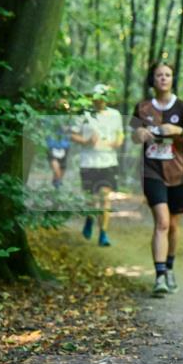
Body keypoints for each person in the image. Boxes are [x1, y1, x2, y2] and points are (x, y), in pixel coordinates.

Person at [130, 63, 183, 296]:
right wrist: (139, 133)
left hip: (178, 174)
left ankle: (169, 268)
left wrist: (179, 131)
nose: (163, 78)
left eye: (167, 75)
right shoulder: (142, 107)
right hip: (152, 171)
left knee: (173, 225)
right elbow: (132, 135)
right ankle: (160, 276)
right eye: (159, 75)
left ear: (173, 79)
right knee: (162, 221)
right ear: (152, 80)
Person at [71, 84, 123, 246]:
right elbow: (72, 135)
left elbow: (120, 135)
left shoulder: (115, 115)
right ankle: (89, 219)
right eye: (97, 97)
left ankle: (103, 234)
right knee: (92, 200)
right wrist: (86, 141)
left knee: (105, 198)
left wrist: (117, 142)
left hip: (108, 162)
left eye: (103, 97)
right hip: (88, 162)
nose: (100, 100)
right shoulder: (83, 115)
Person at [46, 98, 72, 190]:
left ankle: (56, 189)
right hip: (52, 146)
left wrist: (66, 104)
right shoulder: (49, 117)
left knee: (61, 170)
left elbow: (69, 129)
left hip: (65, 146)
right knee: (57, 171)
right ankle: (57, 187)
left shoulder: (68, 118)